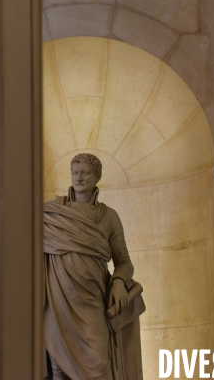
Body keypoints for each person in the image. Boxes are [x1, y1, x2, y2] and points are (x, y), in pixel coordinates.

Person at [43, 153, 143, 380]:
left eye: (85, 172)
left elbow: (124, 262)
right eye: (75, 172)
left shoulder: (108, 217)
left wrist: (119, 282)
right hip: (57, 302)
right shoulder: (49, 214)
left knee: (98, 365)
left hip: (92, 301)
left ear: (97, 176)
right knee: (58, 370)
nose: (78, 177)